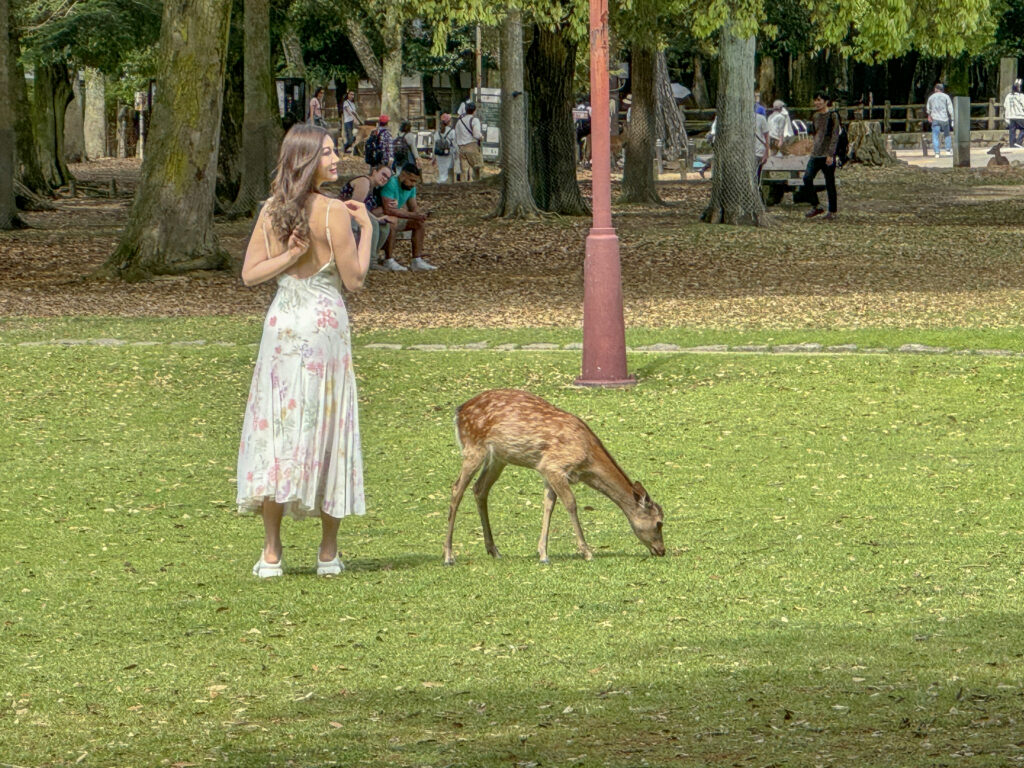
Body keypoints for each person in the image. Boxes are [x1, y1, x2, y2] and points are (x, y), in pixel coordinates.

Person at [238, 123, 372, 578]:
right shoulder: (334, 212)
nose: (336, 160)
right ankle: (328, 552)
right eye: (329, 153)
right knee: (328, 425)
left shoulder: (271, 211)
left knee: (277, 427)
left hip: (282, 324)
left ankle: (271, 552)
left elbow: (252, 274)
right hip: (322, 326)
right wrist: (367, 230)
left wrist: (287, 260)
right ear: (307, 159)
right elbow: (354, 281)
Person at [379, 164, 436, 271]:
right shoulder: (391, 183)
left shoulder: (411, 188)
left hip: (396, 216)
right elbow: (388, 210)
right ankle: (388, 259)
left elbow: (413, 207)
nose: (412, 184)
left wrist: (419, 215)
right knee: (392, 222)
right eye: (411, 180)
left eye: (415, 181)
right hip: (380, 217)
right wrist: (413, 215)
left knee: (419, 223)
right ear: (403, 175)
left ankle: (417, 260)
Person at [339, 164, 395, 270]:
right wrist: (375, 218)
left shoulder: (373, 189)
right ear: (374, 172)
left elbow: (371, 210)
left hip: (355, 215)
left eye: (387, 178)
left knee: (384, 226)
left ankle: (369, 256)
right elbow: (355, 206)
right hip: (344, 214)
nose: (384, 179)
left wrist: (389, 209)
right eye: (383, 174)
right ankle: (370, 262)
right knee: (372, 223)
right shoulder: (364, 182)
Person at [800, 92, 841, 221]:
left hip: (827, 154)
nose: (816, 103)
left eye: (819, 100)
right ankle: (816, 205)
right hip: (816, 154)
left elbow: (835, 136)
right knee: (807, 178)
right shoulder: (816, 116)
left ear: (825, 101)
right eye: (815, 100)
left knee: (830, 183)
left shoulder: (833, 116)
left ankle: (832, 210)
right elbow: (815, 133)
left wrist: (831, 154)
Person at [455, 102, 484, 181]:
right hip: (471, 146)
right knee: (476, 167)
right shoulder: (474, 120)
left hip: (461, 148)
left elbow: (456, 134)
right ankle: (477, 185)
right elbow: (476, 134)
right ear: (474, 111)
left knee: (464, 170)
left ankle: (464, 186)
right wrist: (481, 137)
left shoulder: (459, 121)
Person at [926, 83, 954, 157]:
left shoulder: (931, 97)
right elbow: (950, 108)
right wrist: (952, 118)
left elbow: (929, 108)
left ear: (936, 89)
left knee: (935, 136)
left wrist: (929, 116)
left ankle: (937, 153)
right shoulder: (946, 97)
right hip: (944, 118)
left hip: (935, 118)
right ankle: (948, 150)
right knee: (947, 134)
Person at [432, 113, 457, 183]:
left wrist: (433, 157)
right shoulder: (452, 131)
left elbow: (434, 145)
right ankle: (445, 183)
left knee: (441, 170)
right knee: (447, 171)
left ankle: (440, 182)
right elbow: (455, 144)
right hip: (448, 153)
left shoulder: (437, 132)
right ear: (448, 122)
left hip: (439, 154)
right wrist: (456, 154)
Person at [1003, 80, 1024, 148]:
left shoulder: (1008, 96)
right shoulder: (1021, 96)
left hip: (1011, 116)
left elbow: (1005, 105)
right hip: (1019, 116)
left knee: (1012, 131)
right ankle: (1018, 142)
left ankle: (1012, 145)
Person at [341, 90, 361, 154]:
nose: (352, 96)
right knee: (350, 139)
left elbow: (355, 113)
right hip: (348, 122)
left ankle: (355, 152)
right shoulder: (346, 103)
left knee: (355, 136)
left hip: (353, 122)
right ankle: (344, 148)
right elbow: (349, 111)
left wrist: (359, 120)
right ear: (348, 95)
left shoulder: (353, 104)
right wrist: (354, 118)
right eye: (351, 94)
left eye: (353, 94)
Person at [754, 108, 770, 182]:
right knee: (756, 175)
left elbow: (766, 135)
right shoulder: (761, 118)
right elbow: (767, 136)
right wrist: (766, 153)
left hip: (755, 151)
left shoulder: (760, 119)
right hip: (757, 151)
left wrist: (766, 153)